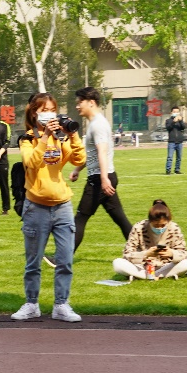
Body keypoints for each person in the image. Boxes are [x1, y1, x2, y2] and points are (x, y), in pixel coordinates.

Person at [12, 93, 86, 322]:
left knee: (65, 260)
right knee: (33, 262)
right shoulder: (27, 139)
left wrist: (72, 134)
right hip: (36, 207)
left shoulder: (60, 138)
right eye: (44, 110)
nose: (50, 114)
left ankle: (61, 305)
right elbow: (32, 162)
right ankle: (31, 304)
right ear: (34, 113)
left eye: (53, 110)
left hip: (62, 205)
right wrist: (44, 136)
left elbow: (79, 159)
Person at [70, 87, 133, 254]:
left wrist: (104, 179)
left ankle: (62, 258)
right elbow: (92, 154)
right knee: (120, 219)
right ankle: (142, 251)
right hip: (103, 177)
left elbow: (102, 152)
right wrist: (78, 169)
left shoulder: (98, 125)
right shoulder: (94, 123)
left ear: (91, 102)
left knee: (81, 217)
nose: (77, 106)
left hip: (99, 179)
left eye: (80, 102)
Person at [112, 199, 187, 280]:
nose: (159, 228)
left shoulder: (174, 228)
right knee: (117, 263)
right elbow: (127, 254)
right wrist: (146, 254)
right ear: (150, 221)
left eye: (163, 225)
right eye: (156, 225)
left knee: (186, 264)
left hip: (165, 266)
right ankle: (157, 276)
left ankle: (147, 276)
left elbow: (184, 253)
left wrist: (172, 253)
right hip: (142, 266)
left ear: (168, 221)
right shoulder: (139, 227)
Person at [165, 106, 186, 175]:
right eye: (174, 112)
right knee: (170, 157)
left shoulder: (180, 120)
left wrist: (181, 121)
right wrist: (174, 122)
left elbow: (183, 127)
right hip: (172, 142)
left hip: (179, 141)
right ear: (171, 112)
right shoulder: (168, 121)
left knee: (179, 157)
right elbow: (168, 127)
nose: (176, 113)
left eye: (177, 112)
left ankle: (177, 169)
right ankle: (168, 170)